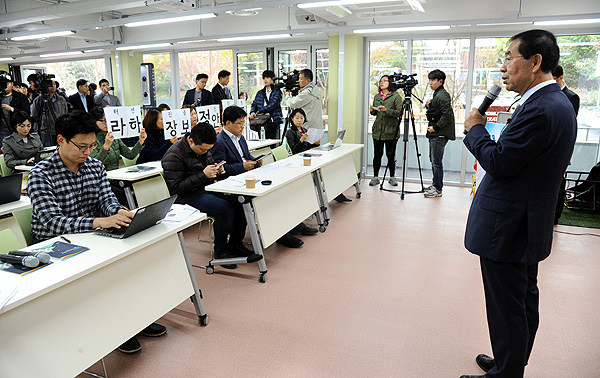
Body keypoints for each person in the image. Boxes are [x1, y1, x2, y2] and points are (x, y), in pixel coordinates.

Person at [460, 29, 577, 378]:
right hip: (526, 224)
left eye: (510, 56)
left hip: (508, 228)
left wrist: (474, 130)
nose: (504, 66)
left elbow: (499, 162)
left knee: (507, 308)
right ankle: (510, 362)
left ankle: (506, 373)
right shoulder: (557, 103)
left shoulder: (541, 109)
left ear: (535, 61)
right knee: (522, 301)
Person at [27, 110, 167, 354]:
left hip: (93, 237)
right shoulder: (40, 174)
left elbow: (107, 201)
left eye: (92, 146)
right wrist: (100, 222)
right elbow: (52, 223)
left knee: (132, 263)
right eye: (82, 146)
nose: (88, 152)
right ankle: (118, 329)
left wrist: (120, 212)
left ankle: (135, 319)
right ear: (60, 140)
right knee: (106, 275)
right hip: (55, 246)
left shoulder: (95, 166)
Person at [162, 122, 261, 269]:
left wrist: (216, 170)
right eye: (203, 149)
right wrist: (203, 175)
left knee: (240, 201)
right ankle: (220, 251)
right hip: (185, 197)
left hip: (205, 189)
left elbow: (208, 168)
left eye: (208, 150)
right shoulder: (173, 155)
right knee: (224, 208)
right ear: (191, 141)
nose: (205, 152)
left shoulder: (204, 147)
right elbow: (176, 188)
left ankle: (235, 243)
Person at [552, 64, 580, 224]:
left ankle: (556, 215)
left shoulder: (571, 96)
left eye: (554, 79)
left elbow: (569, 127)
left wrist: (567, 152)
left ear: (561, 78)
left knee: (559, 181)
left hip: (561, 146)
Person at [423, 69, 456, 198]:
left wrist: (435, 128)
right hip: (436, 133)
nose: (430, 83)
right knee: (434, 160)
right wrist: (428, 105)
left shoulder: (442, 95)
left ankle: (438, 189)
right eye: (429, 80)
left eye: (433, 80)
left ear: (440, 81)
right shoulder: (437, 94)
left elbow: (447, 115)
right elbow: (436, 113)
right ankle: (435, 184)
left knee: (436, 162)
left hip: (439, 134)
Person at [369, 75, 403, 187]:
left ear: (390, 83)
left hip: (391, 132)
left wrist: (386, 110)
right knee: (377, 155)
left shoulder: (396, 97)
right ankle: (375, 177)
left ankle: (392, 177)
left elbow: (399, 113)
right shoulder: (377, 96)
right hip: (378, 131)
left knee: (390, 155)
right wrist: (372, 111)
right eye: (380, 81)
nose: (381, 82)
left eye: (385, 81)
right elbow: (376, 113)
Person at [211, 105, 262, 178]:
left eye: (244, 123)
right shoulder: (219, 141)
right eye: (240, 123)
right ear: (228, 123)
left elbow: (247, 156)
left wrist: (255, 161)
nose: (242, 126)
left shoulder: (240, 137)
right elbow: (220, 168)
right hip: (233, 179)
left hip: (247, 175)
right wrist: (242, 167)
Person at [31, 79, 69, 147]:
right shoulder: (39, 100)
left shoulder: (61, 99)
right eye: (50, 84)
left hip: (60, 130)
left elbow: (65, 113)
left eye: (54, 84)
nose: (53, 86)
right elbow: (35, 116)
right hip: (45, 132)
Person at [249, 70, 284, 139]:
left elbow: (273, 104)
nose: (265, 80)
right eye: (264, 78)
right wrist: (252, 112)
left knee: (273, 143)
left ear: (272, 79)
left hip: (273, 120)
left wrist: (259, 111)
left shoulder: (277, 91)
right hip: (262, 121)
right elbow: (254, 104)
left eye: (267, 78)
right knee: (262, 143)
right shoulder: (260, 92)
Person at [1, 71, 30, 147]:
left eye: (6, 84)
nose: (4, 86)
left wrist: (12, 109)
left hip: (18, 130)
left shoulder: (20, 97)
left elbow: (26, 112)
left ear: (12, 84)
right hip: (2, 131)